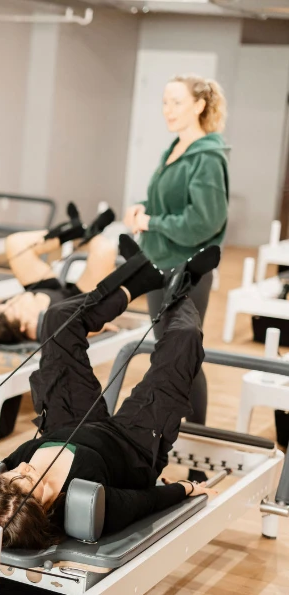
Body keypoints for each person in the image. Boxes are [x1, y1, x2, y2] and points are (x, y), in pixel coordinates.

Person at [0, 236, 221, 550]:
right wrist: (188, 488)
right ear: (41, 507)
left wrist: (13, 480)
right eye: (26, 478)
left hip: (67, 424)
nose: (21, 466)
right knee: (184, 337)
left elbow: (3, 494)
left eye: (10, 474)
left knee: (59, 319)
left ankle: (140, 277)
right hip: (133, 444)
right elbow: (146, 501)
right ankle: (180, 289)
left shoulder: (12, 472)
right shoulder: (90, 502)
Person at [123, 75, 229, 452]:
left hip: (188, 270)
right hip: (159, 263)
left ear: (200, 106)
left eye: (177, 102)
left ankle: (196, 438)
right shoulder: (175, 149)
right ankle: (169, 432)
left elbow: (206, 221)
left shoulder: (208, 156)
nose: (168, 110)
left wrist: (151, 222)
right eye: (165, 102)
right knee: (166, 354)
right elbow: (168, 203)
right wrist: (143, 208)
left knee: (184, 357)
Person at [0, 203, 116, 344]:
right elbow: (87, 328)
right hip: (78, 301)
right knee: (105, 250)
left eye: (4, 304)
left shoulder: (7, 315)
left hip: (47, 290)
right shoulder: (48, 326)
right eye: (12, 307)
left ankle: (74, 232)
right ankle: (92, 234)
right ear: (25, 326)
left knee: (14, 243)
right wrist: (101, 326)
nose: (10, 301)